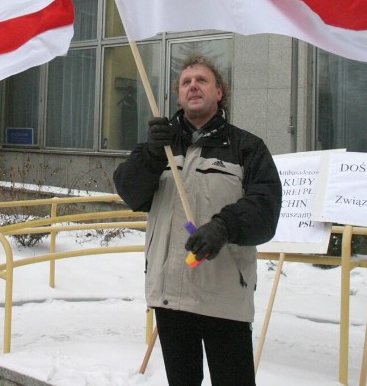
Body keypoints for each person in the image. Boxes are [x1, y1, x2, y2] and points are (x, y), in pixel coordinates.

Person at [113, 54, 281, 386]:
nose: (193, 86)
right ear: (178, 96)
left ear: (220, 93)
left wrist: (224, 226)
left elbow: (265, 208)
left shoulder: (247, 147)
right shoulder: (159, 146)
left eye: (202, 80)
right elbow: (130, 193)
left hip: (224, 296)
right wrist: (149, 153)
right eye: (186, 82)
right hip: (171, 294)